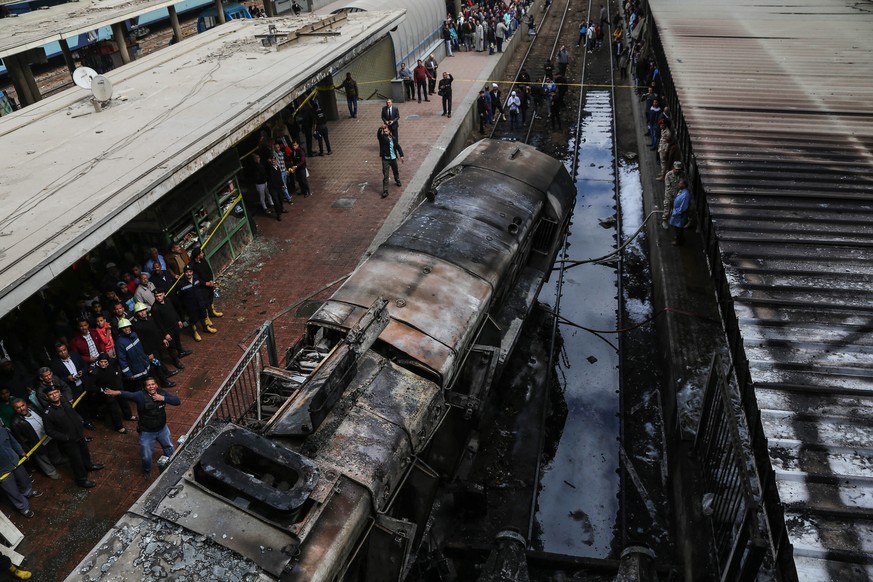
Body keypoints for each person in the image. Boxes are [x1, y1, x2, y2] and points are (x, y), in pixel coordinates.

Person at [105, 377, 180, 479]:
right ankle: (147, 471)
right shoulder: (140, 395)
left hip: (162, 429)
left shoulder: (162, 393)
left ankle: (172, 463)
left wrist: (163, 398)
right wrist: (116, 392)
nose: (151, 387)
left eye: (153, 384)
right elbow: (128, 394)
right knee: (146, 455)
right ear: (145, 388)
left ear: (156, 385)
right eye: (148, 385)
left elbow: (177, 401)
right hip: (147, 432)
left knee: (169, 447)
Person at [43, 384, 103, 488]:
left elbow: (72, 411)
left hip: (78, 433)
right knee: (76, 460)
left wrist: (79, 420)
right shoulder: (48, 413)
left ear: (59, 392)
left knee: (85, 452)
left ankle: (89, 466)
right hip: (68, 441)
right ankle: (81, 480)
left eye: (56, 392)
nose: (54, 395)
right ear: (47, 397)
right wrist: (64, 437)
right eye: (51, 394)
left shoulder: (64, 400)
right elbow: (49, 431)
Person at [115, 318, 175, 389]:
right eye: (124, 328)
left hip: (144, 363)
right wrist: (128, 374)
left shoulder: (135, 334)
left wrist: (148, 355)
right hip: (135, 369)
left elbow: (142, 346)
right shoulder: (120, 343)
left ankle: (159, 386)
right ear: (120, 330)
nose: (126, 329)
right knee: (141, 387)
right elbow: (122, 360)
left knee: (151, 377)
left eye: (128, 326)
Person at [10, 398, 62, 479]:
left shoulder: (32, 407)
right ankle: (52, 473)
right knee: (43, 459)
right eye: (18, 408)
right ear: (14, 409)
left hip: (48, 435)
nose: (22, 408)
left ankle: (58, 461)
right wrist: (28, 448)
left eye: (23, 405)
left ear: (26, 404)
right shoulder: (15, 422)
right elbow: (20, 439)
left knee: (54, 450)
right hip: (35, 443)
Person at [0, 426, 39, 517]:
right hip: (2, 471)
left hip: (15, 462)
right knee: (12, 490)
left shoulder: (2, 430)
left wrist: (21, 452)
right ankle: (23, 507)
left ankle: (28, 492)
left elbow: (13, 442)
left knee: (24, 480)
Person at [91, 354, 134, 433]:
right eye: (101, 362)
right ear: (98, 362)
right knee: (114, 410)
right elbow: (90, 386)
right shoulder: (95, 372)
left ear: (108, 361)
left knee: (124, 402)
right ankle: (119, 427)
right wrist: (102, 390)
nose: (103, 364)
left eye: (105, 362)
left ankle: (129, 416)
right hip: (108, 393)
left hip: (117, 388)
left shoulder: (113, 363)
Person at [189, 247, 222, 319]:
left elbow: (209, 270)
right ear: (197, 255)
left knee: (210, 297)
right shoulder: (192, 265)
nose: (203, 254)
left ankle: (212, 312)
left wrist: (211, 280)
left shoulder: (203, 260)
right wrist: (205, 283)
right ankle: (206, 317)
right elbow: (195, 278)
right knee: (205, 301)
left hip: (209, 283)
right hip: (202, 286)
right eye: (201, 253)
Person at [377, 124, 404, 199]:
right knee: (386, 175)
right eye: (384, 131)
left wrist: (401, 155)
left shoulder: (393, 138)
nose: (385, 132)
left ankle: (397, 179)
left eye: (386, 131)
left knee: (395, 171)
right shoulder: (382, 138)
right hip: (386, 159)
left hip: (393, 158)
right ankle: (385, 190)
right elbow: (378, 135)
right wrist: (380, 129)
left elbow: (398, 147)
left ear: (389, 131)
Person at [662, 161, 686, 230]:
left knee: (677, 210)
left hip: (678, 196)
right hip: (670, 195)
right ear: (673, 168)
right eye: (676, 169)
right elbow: (668, 187)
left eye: (679, 169)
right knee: (667, 209)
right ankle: (664, 221)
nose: (677, 171)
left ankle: (674, 221)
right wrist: (674, 194)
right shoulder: (668, 175)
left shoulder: (682, 174)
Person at [669, 180, 691, 246]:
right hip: (676, 212)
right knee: (676, 227)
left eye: (680, 183)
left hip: (679, 214)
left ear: (684, 185)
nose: (679, 184)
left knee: (679, 228)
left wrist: (677, 213)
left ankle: (679, 241)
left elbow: (684, 206)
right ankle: (679, 238)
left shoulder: (685, 195)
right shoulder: (681, 191)